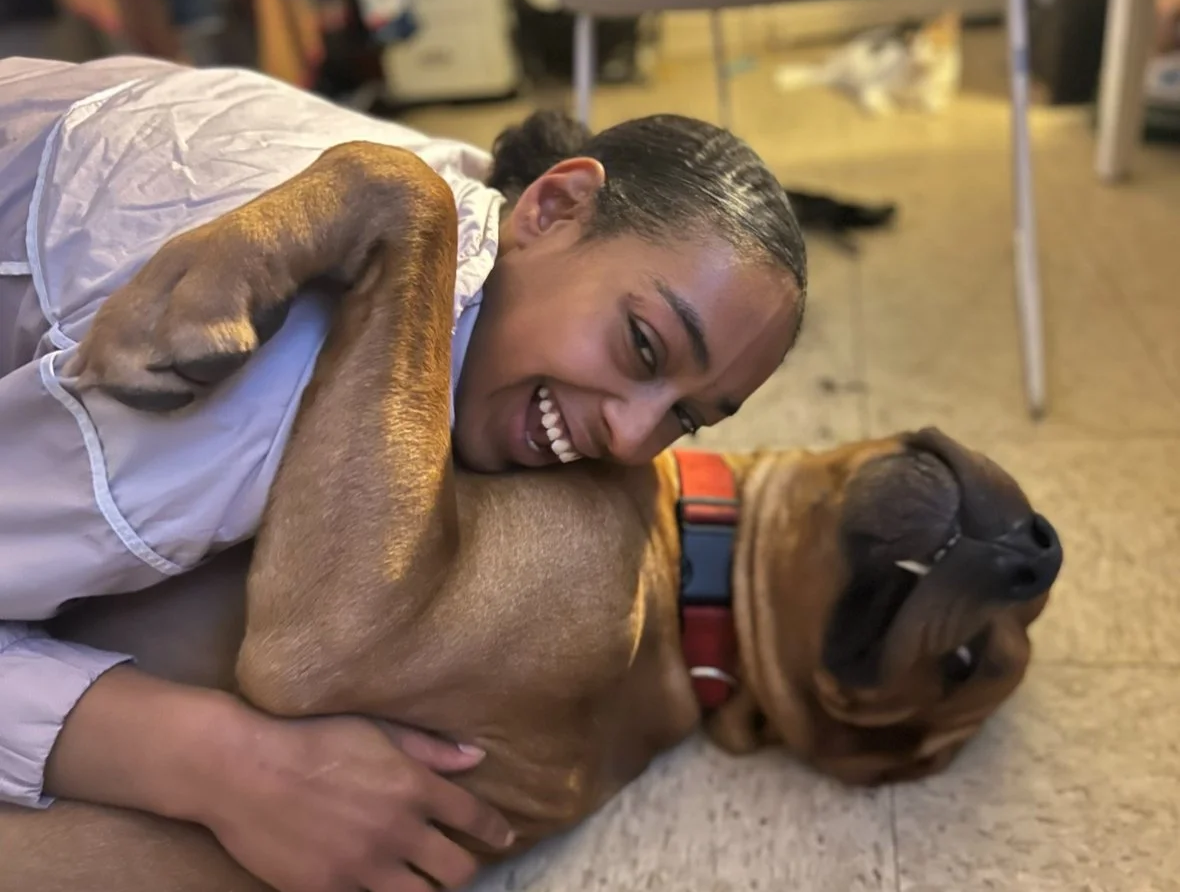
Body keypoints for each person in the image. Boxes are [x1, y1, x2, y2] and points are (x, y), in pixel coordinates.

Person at [0, 56, 807, 892]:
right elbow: (309, 654)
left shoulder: (463, 195)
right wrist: (215, 761)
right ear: (555, 204)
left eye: (686, 417)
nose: (632, 437)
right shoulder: (237, 385)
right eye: (643, 347)